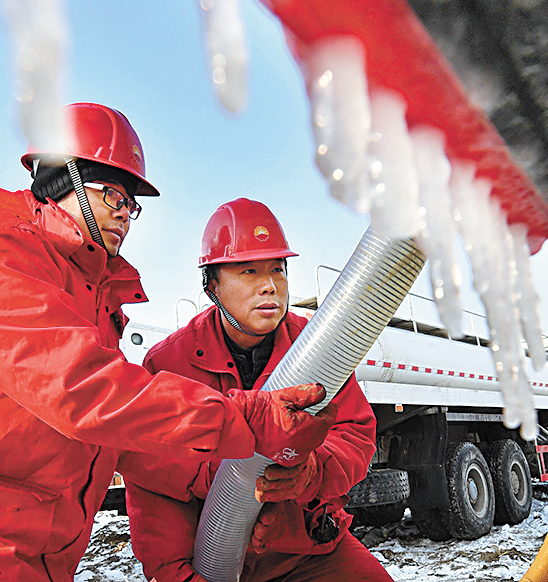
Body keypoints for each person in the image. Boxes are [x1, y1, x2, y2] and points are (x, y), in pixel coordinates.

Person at [0, 104, 337, 581]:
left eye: (131, 204)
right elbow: (84, 390)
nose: (124, 214)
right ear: (62, 179)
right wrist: (249, 418)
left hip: (1, 540)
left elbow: (113, 438)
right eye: (112, 195)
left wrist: (232, 482)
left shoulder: (90, 295)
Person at [122, 199, 393, 582]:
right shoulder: (171, 363)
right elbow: (150, 475)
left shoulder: (315, 347)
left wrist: (313, 472)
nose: (270, 285)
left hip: (306, 550)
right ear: (211, 285)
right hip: (212, 558)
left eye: (278, 270)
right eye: (249, 271)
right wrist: (173, 572)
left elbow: (354, 433)